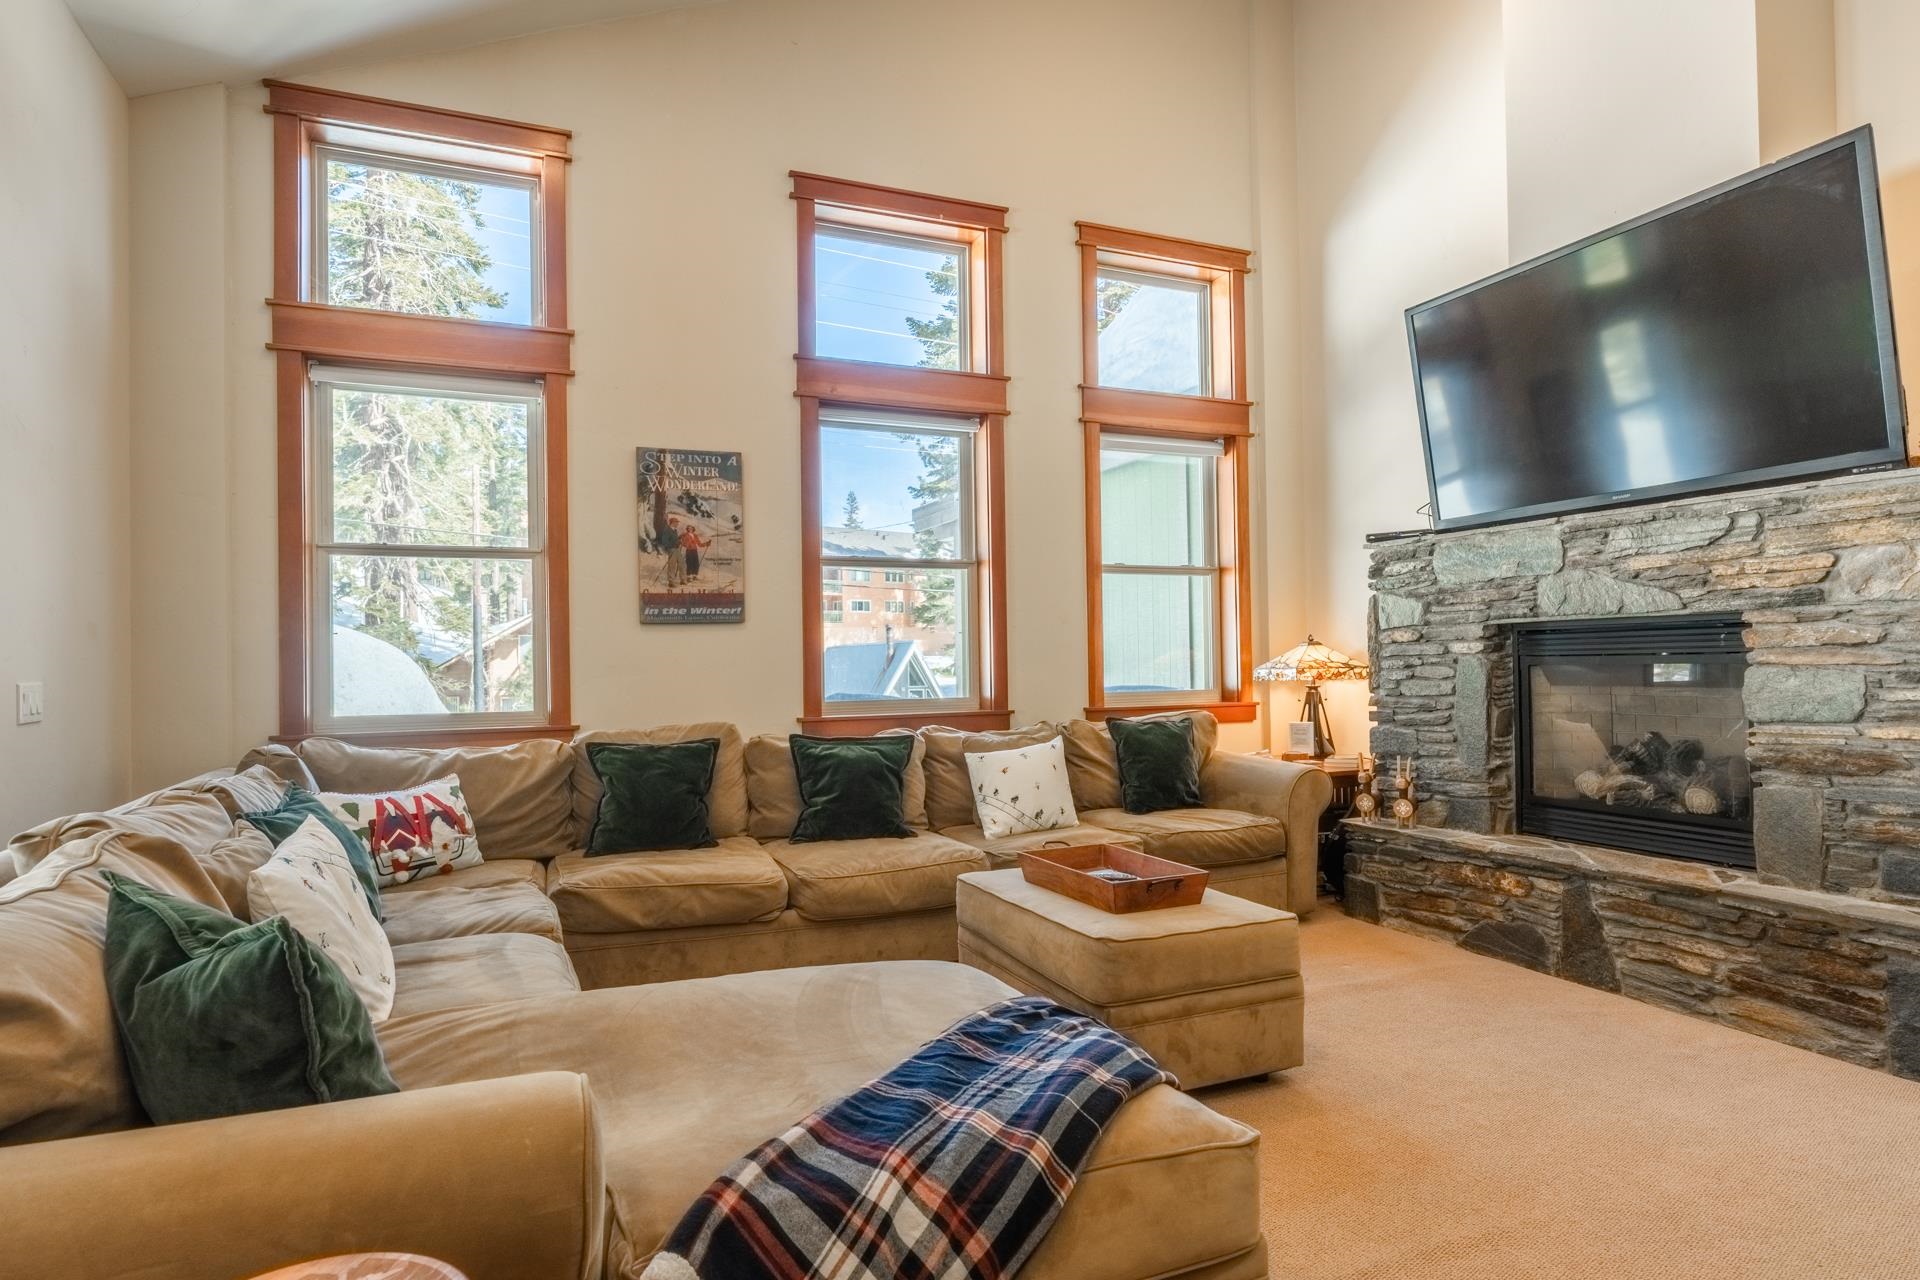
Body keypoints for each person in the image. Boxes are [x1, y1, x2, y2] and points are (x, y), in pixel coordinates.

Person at [664, 516, 688, 587]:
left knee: (682, 564)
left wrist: (680, 538)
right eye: (676, 522)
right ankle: (671, 582)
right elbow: (665, 542)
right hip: (672, 549)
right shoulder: (667, 530)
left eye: (677, 522)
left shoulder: (675, 530)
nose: (677, 524)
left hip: (677, 549)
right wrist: (675, 543)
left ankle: (683, 580)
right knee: (672, 566)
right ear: (672, 523)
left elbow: (675, 539)